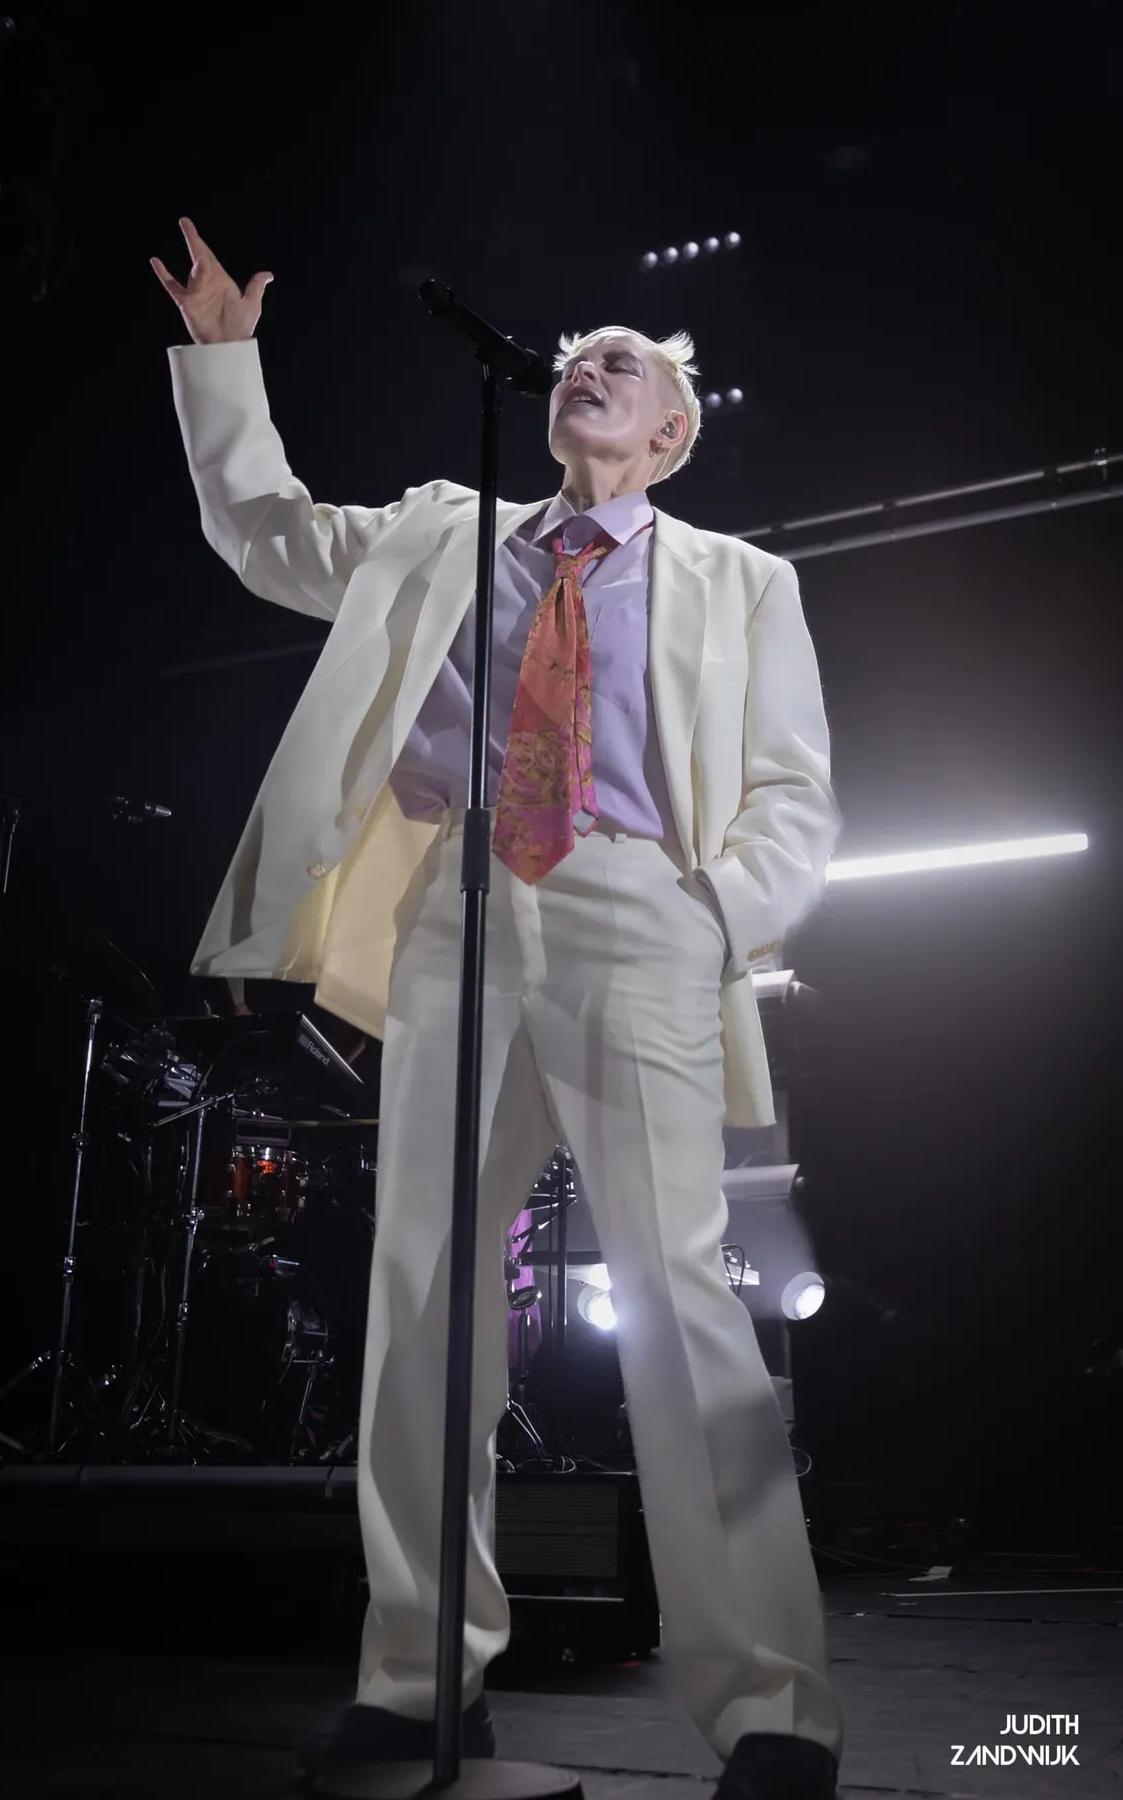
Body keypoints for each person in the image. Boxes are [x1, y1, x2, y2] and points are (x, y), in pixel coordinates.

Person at [152, 216, 845, 1799]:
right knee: (424, 1297)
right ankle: (421, 1680)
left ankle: (771, 1709)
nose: (589, 367)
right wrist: (221, 361)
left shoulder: (743, 585)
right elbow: (263, 533)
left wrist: (709, 910)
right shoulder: (442, 531)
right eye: (579, 357)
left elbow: (797, 796)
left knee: (679, 1300)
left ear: (671, 434)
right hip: (461, 903)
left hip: (638, 903)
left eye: (627, 364)